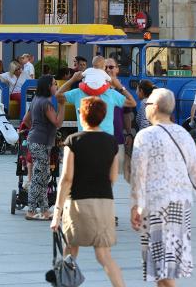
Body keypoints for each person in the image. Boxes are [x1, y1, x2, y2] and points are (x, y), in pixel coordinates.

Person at [131, 88, 196, 285]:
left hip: (156, 206)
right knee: (166, 267)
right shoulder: (183, 133)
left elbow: (138, 174)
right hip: (181, 204)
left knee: (162, 268)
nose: (146, 108)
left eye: (148, 104)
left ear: (156, 107)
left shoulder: (145, 136)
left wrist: (136, 205)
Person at [51, 97, 125, 287]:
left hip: (77, 203)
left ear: (82, 116)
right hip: (104, 203)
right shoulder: (111, 142)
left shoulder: (73, 141)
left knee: (70, 250)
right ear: (103, 117)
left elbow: (67, 178)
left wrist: (56, 213)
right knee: (104, 255)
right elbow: (113, 177)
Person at [22, 75, 65, 220]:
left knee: (43, 176)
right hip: (41, 142)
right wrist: (62, 105)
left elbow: (26, 120)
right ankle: (31, 210)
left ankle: (45, 211)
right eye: (54, 84)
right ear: (48, 86)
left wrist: (35, 129)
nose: (56, 87)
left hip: (35, 141)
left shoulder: (36, 100)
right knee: (39, 178)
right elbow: (58, 122)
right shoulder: (46, 104)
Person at [59, 66, 136, 136]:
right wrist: (119, 86)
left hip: (84, 140)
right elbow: (132, 102)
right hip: (106, 141)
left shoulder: (78, 92)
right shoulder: (111, 94)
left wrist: (72, 79)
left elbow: (58, 95)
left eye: (111, 67)